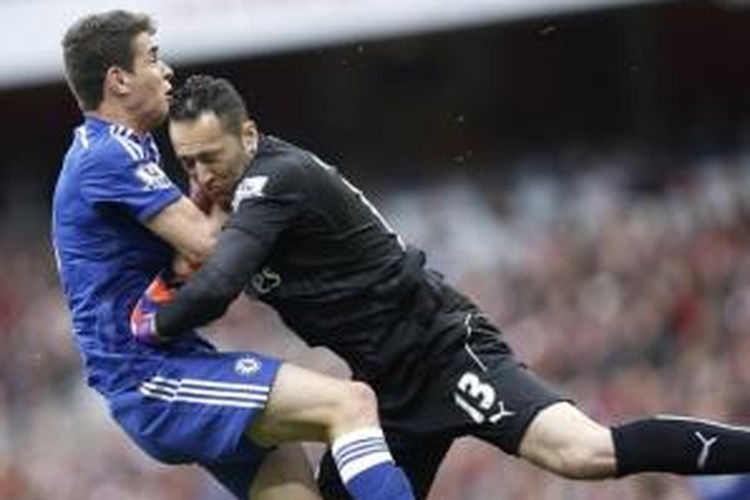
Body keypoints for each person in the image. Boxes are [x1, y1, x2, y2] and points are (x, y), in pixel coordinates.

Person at [133, 73, 750, 499]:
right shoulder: (235, 198)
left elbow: (216, 289)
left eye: (210, 156)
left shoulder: (277, 180)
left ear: (248, 135)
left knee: (585, 454)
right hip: (385, 390)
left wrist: (150, 322)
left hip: (443, 351)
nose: (200, 175)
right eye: (186, 162)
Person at [51, 10, 415, 500]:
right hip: (150, 377)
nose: (166, 71)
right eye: (152, 58)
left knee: (284, 460)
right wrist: (261, 183)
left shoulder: (115, 150)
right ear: (118, 80)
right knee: (349, 404)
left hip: (171, 363)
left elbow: (190, 257)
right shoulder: (109, 155)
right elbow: (209, 248)